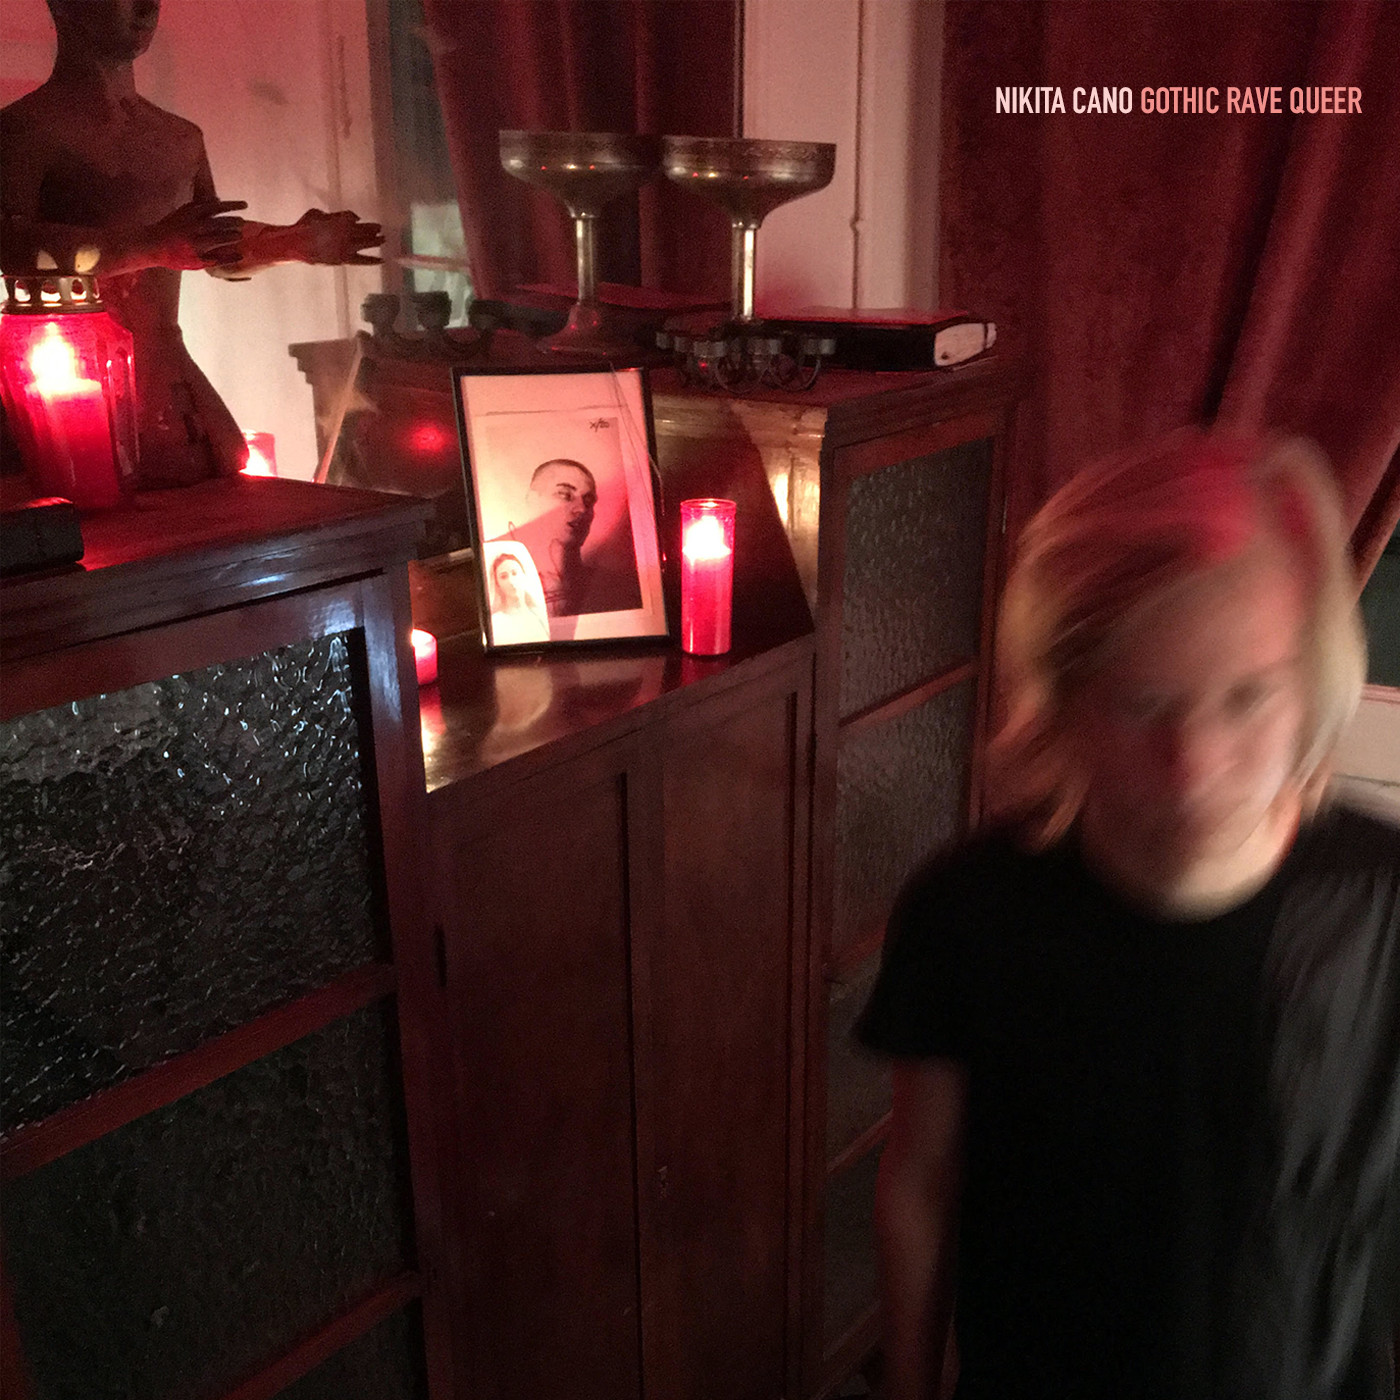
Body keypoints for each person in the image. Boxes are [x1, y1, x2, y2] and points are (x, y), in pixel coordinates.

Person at [857, 430, 1400, 1400]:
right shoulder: (969, 912)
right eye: (1143, 703)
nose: (1194, 767)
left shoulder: (1382, 904)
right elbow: (920, 1184)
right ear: (1063, 702)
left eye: (1246, 698)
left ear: (1312, 676)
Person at [0, 0, 382, 485]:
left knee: (213, 475)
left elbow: (207, 246)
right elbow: (12, 246)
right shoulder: (24, 133)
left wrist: (290, 242)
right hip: (64, 382)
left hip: (165, 369)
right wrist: (150, 247)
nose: (145, 9)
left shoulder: (179, 138)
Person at [496, 457, 642, 618]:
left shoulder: (614, 588)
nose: (581, 509)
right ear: (532, 499)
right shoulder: (501, 575)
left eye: (588, 501)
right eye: (565, 495)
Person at [486, 546, 550, 646]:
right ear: (497, 584)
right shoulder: (496, 623)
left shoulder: (538, 615)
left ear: (524, 575)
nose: (511, 581)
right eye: (504, 577)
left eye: (515, 573)